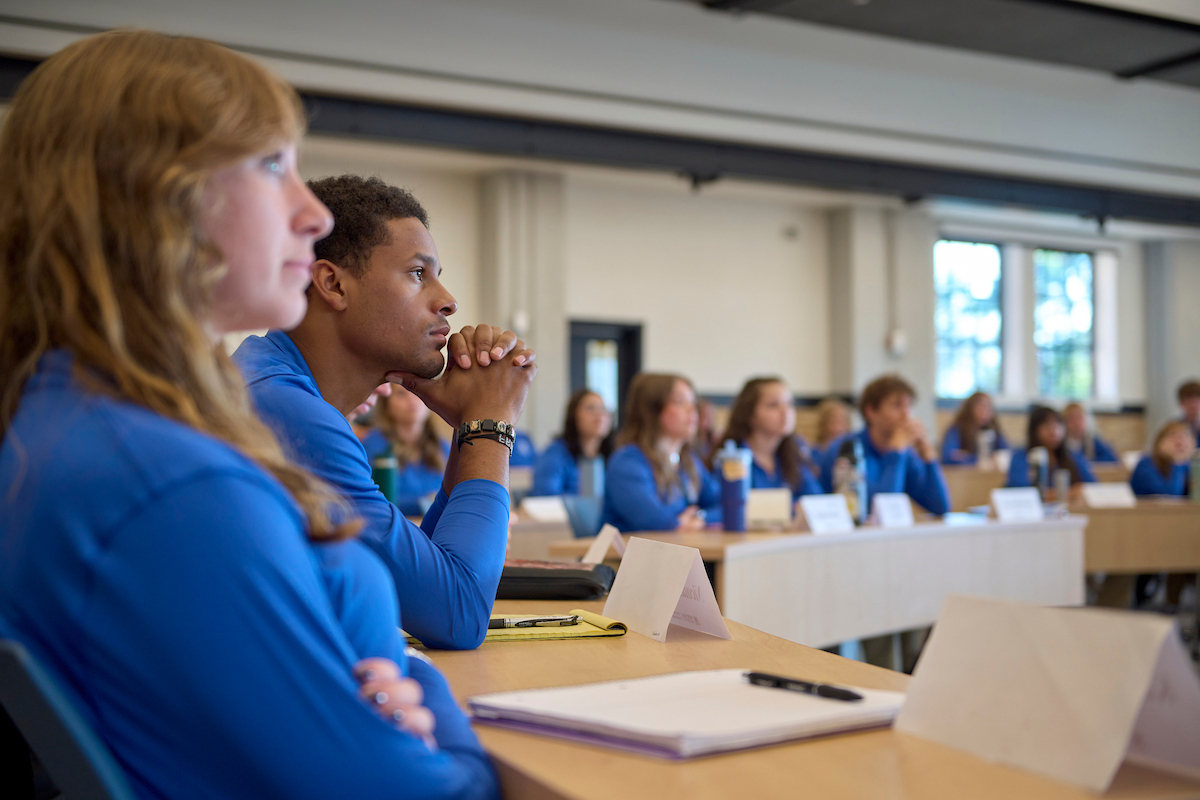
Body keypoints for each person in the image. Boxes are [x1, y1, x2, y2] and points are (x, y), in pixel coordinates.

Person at [0, 30, 496, 799]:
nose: (308, 213)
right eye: (273, 167)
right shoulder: (172, 482)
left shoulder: (71, 416)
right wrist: (427, 696)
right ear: (156, 200)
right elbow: (424, 793)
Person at [234, 175, 535, 651]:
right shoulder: (287, 413)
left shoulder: (268, 381)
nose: (448, 301)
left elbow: (425, 583)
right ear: (333, 284)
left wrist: (470, 428)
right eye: (419, 273)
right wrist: (492, 426)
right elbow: (457, 613)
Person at [603, 373, 721, 532]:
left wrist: (700, 517)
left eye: (693, 402)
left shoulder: (688, 461)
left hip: (676, 553)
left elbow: (726, 505)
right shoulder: (628, 462)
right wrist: (678, 523)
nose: (692, 410)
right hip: (629, 556)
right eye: (680, 402)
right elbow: (653, 521)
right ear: (652, 410)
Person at [817, 375, 950, 515]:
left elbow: (940, 506)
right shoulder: (846, 449)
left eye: (909, 405)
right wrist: (896, 453)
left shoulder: (905, 453)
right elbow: (877, 511)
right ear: (871, 412)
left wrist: (929, 458)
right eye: (897, 405)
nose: (906, 414)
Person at [721, 377, 821, 499]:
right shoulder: (733, 459)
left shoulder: (793, 454)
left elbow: (817, 501)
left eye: (789, 403)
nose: (785, 411)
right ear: (749, 414)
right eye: (773, 405)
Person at [363, 383, 451, 516]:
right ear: (387, 403)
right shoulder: (373, 446)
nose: (412, 400)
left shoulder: (444, 447)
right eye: (401, 394)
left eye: (419, 393)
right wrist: (424, 503)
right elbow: (374, 501)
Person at [531, 388, 614, 496]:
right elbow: (545, 496)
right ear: (574, 415)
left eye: (603, 409)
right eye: (591, 408)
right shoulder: (556, 453)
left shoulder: (614, 455)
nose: (599, 415)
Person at [1006, 405, 1096, 493]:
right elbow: (1020, 491)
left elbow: (1092, 485)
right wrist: (1068, 493)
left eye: (1058, 425)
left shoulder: (1071, 456)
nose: (1054, 431)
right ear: (1034, 430)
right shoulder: (1021, 457)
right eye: (1047, 425)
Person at [940, 391, 1009, 465]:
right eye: (981, 406)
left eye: (988, 407)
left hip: (989, 474)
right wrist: (975, 459)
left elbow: (1006, 453)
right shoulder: (957, 429)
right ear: (970, 409)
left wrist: (964, 455)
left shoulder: (994, 429)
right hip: (964, 474)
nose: (985, 411)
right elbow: (948, 456)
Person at [1130, 420, 1194, 496]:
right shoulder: (1146, 464)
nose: (1180, 441)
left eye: (1185, 435)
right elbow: (1170, 496)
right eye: (1172, 434)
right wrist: (1176, 461)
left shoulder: (1187, 465)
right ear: (1160, 442)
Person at [1178, 379, 1200, 446]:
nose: (1193, 405)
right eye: (1189, 400)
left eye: (1197, 400)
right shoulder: (1172, 428)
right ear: (1181, 402)